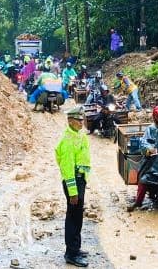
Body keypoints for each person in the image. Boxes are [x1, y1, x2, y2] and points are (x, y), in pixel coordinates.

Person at [55, 106, 91, 267]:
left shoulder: (78, 135)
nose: (81, 123)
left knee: (78, 216)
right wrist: (73, 192)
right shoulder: (68, 140)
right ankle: (71, 253)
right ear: (70, 121)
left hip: (80, 180)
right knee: (73, 218)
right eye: (78, 120)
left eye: (82, 120)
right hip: (73, 182)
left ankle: (76, 248)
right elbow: (67, 168)